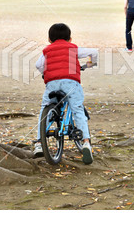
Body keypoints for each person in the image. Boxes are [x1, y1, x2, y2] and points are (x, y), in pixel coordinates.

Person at [34, 23, 98, 164]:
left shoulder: (47, 51)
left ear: (49, 39)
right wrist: (89, 65)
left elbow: (38, 65)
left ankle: (39, 143)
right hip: (71, 83)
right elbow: (94, 53)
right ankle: (86, 142)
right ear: (70, 38)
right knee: (77, 110)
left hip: (52, 84)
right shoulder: (73, 49)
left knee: (45, 108)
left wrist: (45, 74)